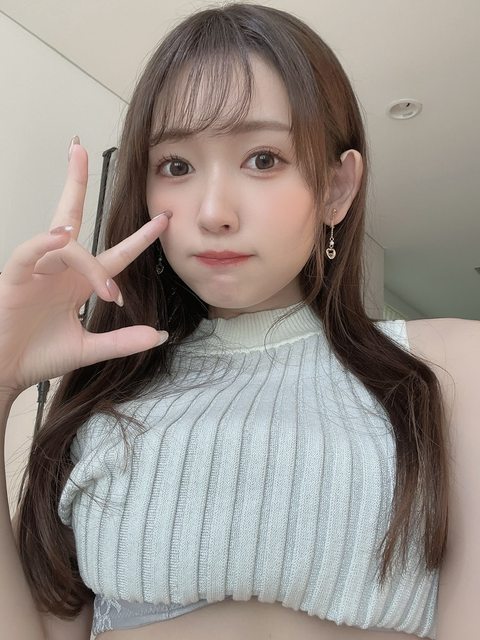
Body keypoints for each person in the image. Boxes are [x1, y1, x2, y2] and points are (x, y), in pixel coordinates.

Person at [0, 3, 477, 639]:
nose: (214, 211)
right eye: (176, 166)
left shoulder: (448, 367)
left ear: (336, 188)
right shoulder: (105, 393)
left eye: (263, 159)